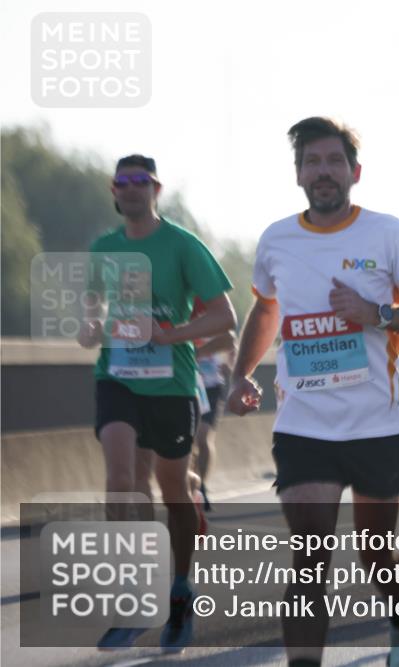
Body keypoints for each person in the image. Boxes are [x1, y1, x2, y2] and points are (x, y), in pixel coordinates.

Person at [226, 117, 399, 667]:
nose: (323, 172)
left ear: (354, 172)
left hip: (377, 421)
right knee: (310, 555)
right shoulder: (277, 238)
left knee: (374, 554)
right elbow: (266, 306)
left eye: (333, 161)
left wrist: (375, 313)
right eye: (312, 162)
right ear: (298, 173)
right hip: (304, 424)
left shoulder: (387, 233)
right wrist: (240, 373)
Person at [78, 154, 236, 652]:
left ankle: (180, 585)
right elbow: (93, 309)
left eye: (139, 182)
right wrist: (88, 327)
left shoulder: (183, 246)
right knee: (123, 478)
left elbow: (224, 318)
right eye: (122, 182)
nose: (130, 189)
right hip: (117, 379)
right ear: (114, 191)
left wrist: (171, 336)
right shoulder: (103, 248)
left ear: (155, 189)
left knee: (173, 493)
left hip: (170, 386)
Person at [190, 296, 237, 510]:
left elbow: (229, 340)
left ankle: (202, 487)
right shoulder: (172, 304)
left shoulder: (209, 302)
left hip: (210, 383)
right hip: (183, 382)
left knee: (203, 436)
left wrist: (234, 369)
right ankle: (192, 485)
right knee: (187, 442)